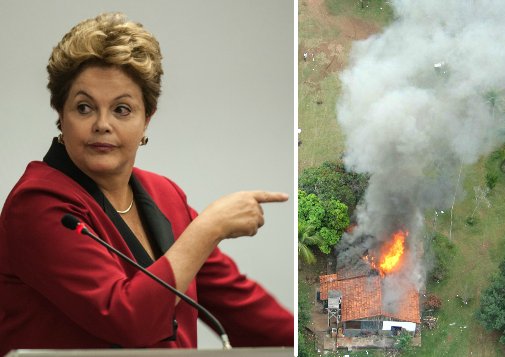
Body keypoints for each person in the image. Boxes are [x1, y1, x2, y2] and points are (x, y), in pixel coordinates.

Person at [0, 13, 293, 352]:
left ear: (147, 119)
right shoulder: (37, 204)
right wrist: (209, 228)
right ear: (60, 114)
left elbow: (240, 306)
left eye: (122, 109)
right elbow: (126, 319)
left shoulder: (165, 195)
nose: (102, 124)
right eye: (84, 108)